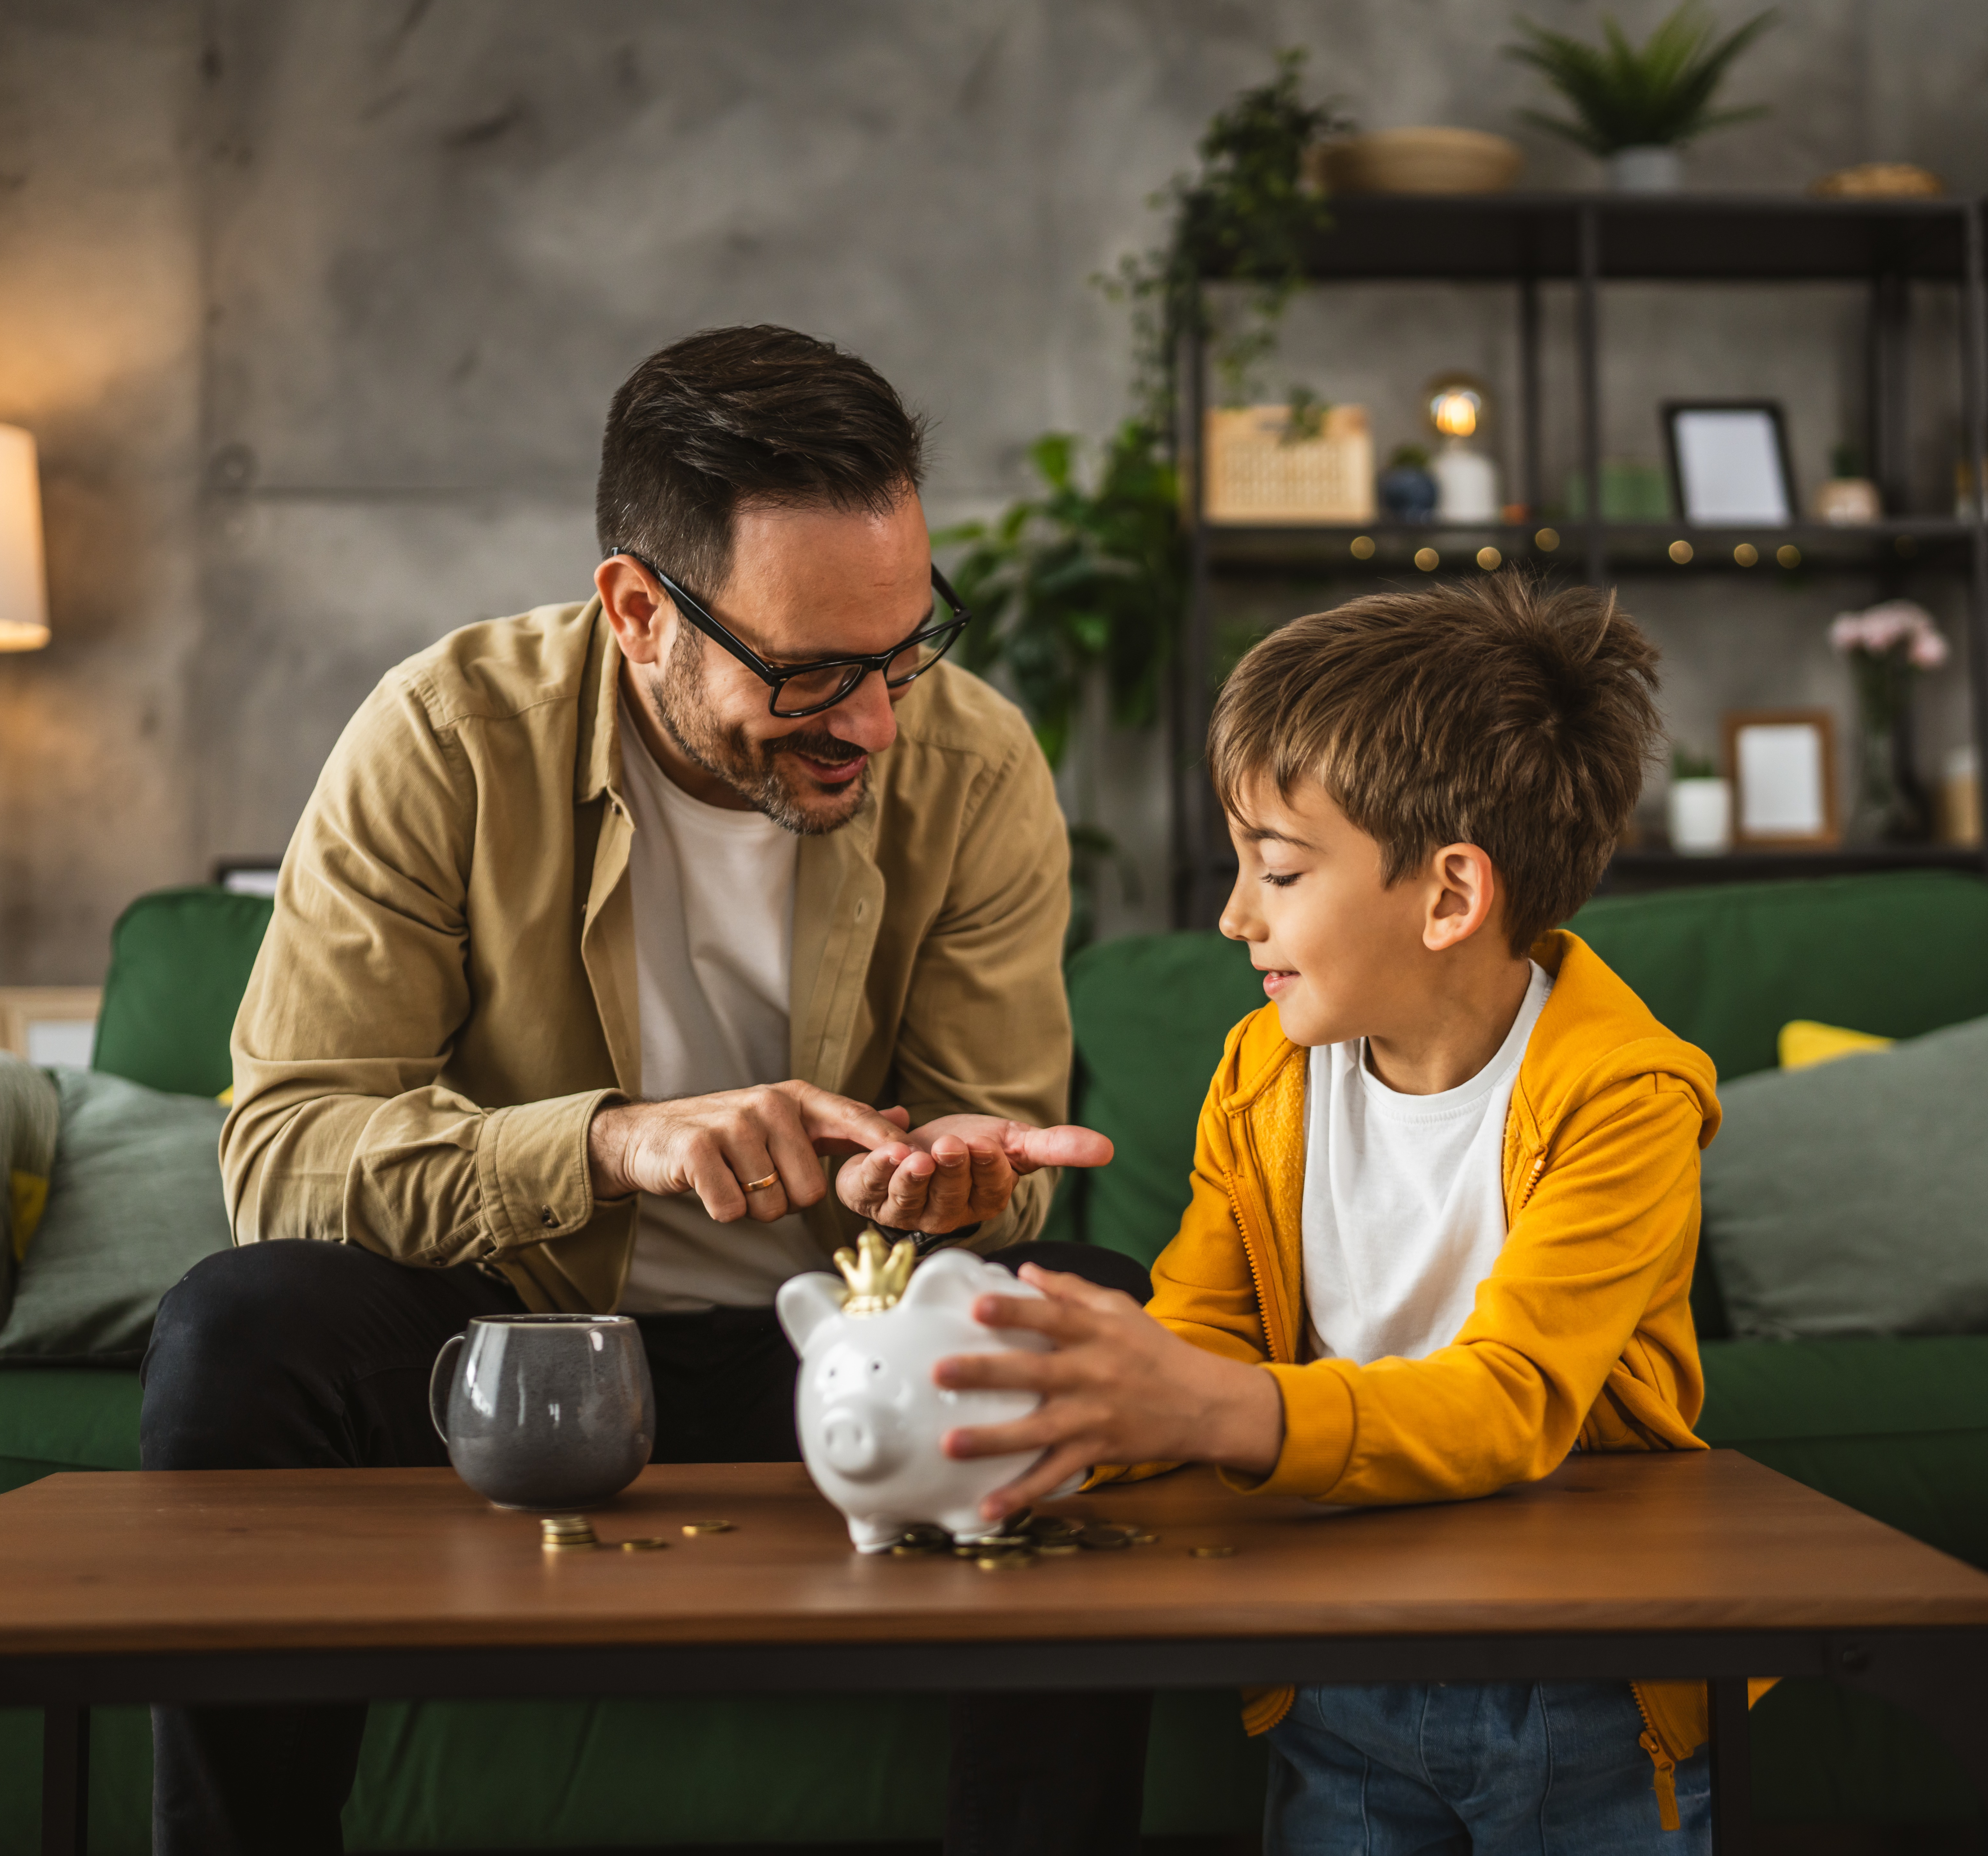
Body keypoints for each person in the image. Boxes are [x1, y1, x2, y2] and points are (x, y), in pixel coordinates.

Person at [141, 325, 1152, 1856]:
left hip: (828, 1358)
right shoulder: (442, 736)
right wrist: (616, 1145)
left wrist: (942, 1182)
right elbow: (283, 1154)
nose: (872, 720)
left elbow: (986, 1148)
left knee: (1081, 1303)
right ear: (637, 609)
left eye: (900, 650)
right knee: (242, 1324)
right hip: (510, 1344)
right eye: (810, 670)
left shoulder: (975, 761)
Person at [925, 573, 1734, 1853]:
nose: (1233, 914)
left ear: (1449, 896)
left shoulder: (1623, 1098)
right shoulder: (1263, 1073)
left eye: (1279, 868)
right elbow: (1201, 1333)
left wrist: (1206, 1406)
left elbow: (1511, 1399)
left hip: (1582, 1672)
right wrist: (1045, 1418)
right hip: (1339, 1661)